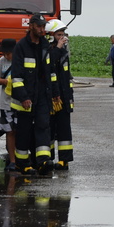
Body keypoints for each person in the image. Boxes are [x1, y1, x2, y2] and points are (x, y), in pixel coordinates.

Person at [10, 14, 54, 176]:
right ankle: (22, 164)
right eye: (39, 27)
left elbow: (49, 72)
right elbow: (16, 76)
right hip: (26, 97)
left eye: (44, 27)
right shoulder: (21, 46)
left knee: (43, 126)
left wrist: (53, 94)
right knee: (24, 131)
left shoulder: (45, 45)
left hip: (42, 95)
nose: (42, 30)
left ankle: (42, 162)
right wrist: (24, 97)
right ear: (31, 26)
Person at [45, 19, 74, 170]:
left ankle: (64, 160)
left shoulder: (63, 52)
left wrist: (69, 96)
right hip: (50, 97)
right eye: (59, 35)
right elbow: (49, 64)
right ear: (50, 35)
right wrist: (58, 47)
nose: (63, 38)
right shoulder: (46, 51)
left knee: (64, 129)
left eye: (63, 34)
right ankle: (48, 159)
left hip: (63, 97)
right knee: (49, 128)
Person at [0, 38, 19, 172]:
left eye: (9, 53)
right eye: (4, 53)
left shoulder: (21, 61)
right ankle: (12, 161)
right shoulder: (1, 62)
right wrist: (5, 82)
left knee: (21, 131)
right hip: (6, 103)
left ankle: (22, 159)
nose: (6, 56)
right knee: (9, 132)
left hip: (19, 103)